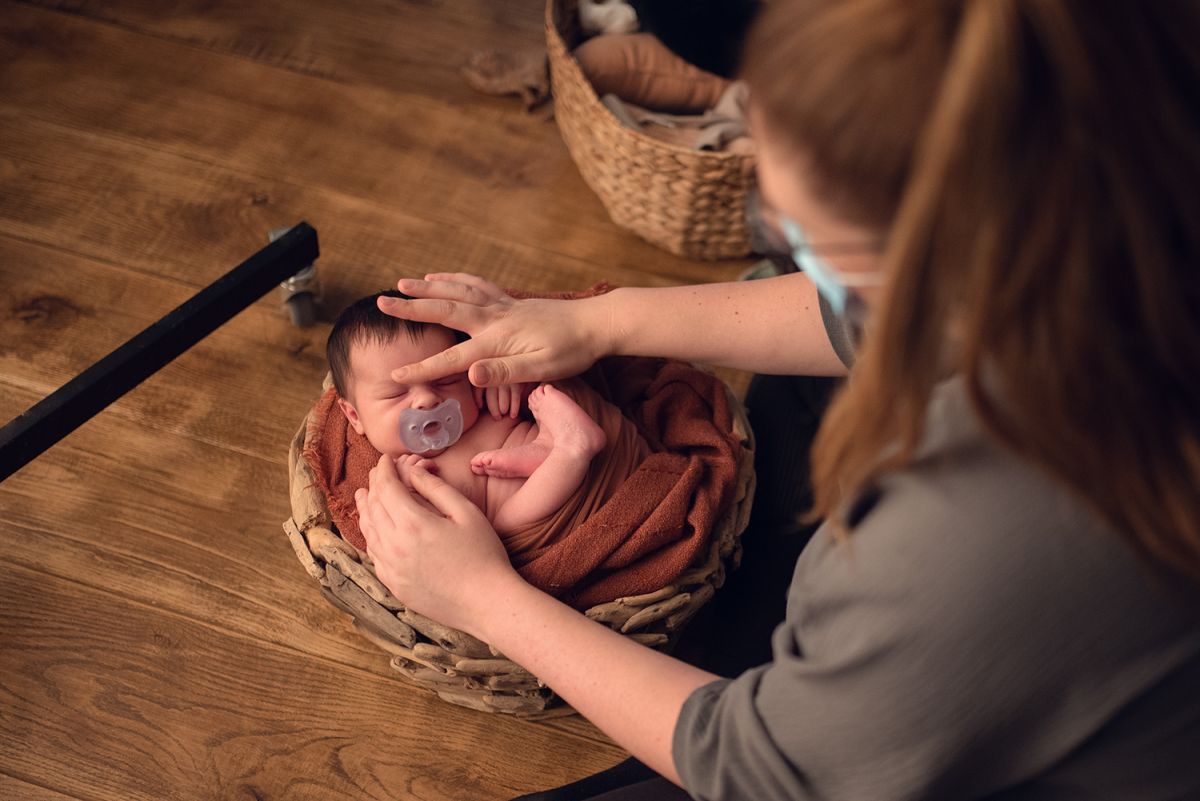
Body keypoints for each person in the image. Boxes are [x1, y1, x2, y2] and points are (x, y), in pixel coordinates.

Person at [353, 1, 1200, 798]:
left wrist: (484, 597)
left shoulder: (979, 525)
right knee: (796, 392)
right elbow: (866, 315)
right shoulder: (1122, 192)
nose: (784, 248)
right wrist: (604, 323)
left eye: (798, 237)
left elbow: (756, 767)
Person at [328, 291, 608, 539]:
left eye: (446, 380)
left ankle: (548, 445)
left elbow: (542, 370)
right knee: (501, 527)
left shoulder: (484, 400)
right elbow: (430, 540)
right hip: (548, 514)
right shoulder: (405, 475)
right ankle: (568, 453)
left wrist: (514, 380)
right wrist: (407, 496)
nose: (427, 399)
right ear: (354, 416)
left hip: (602, 466)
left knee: (550, 392)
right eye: (396, 394)